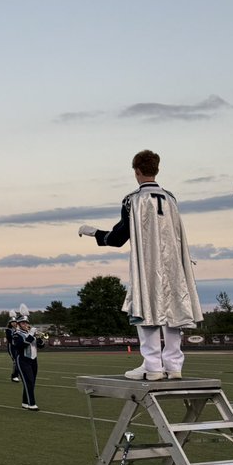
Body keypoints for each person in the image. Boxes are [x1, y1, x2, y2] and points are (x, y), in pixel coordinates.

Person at [80, 149, 202, 380]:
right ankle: (174, 365)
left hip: (148, 265)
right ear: (157, 169)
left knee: (145, 310)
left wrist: (94, 232)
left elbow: (118, 238)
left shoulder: (133, 199)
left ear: (136, 171)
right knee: (175, 310)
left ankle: (153, 366)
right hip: (174, 265)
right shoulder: (171, 198)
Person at [10, 306, 45, 410]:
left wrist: (40, 339)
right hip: (23, 360)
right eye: (23, 323)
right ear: (19, 324)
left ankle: (25, 402)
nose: (25, 325)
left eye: (26, 323)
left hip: (34, 360)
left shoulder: (30, 334)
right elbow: (21, 345)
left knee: (31, 382)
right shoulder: (17, 334)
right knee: (28, 381)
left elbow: (41, 346)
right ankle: (31, 404)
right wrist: (31, 334)